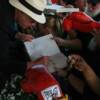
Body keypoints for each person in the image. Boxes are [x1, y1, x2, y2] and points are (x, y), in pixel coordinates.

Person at [0, 0, 46, 78]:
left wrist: (18, 35)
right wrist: (34, 64)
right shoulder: (3, 21)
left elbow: (7, 27)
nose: (33, 25)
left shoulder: (7, 8)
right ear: (21, 10)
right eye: (32, 21)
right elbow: (3, 63)